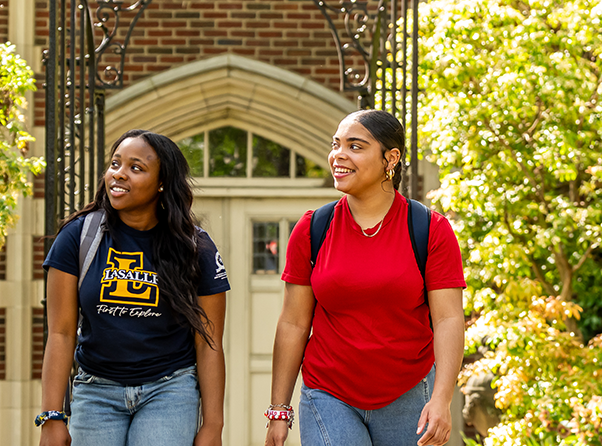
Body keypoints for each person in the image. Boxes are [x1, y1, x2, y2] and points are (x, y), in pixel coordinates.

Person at [264, 110, 466, 446]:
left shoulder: (430, 229)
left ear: (391, 158)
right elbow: (293, 323)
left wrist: (442, 399)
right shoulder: (313, 229)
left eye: (355, 146)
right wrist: (279, 410)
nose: (338, 155)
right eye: (336, 145)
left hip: (410, 396)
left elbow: (448, 319)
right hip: (328, 394)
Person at [38, 129, 230, 446]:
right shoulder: (78, 237)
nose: (119, 174)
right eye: (115, 164)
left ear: (162, 183)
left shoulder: (195, 248)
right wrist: (51, 416)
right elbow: (61, 333)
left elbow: (208, 343)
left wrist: (213, 425)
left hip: (169, 390)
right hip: (96, 391)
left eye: (135, 167)